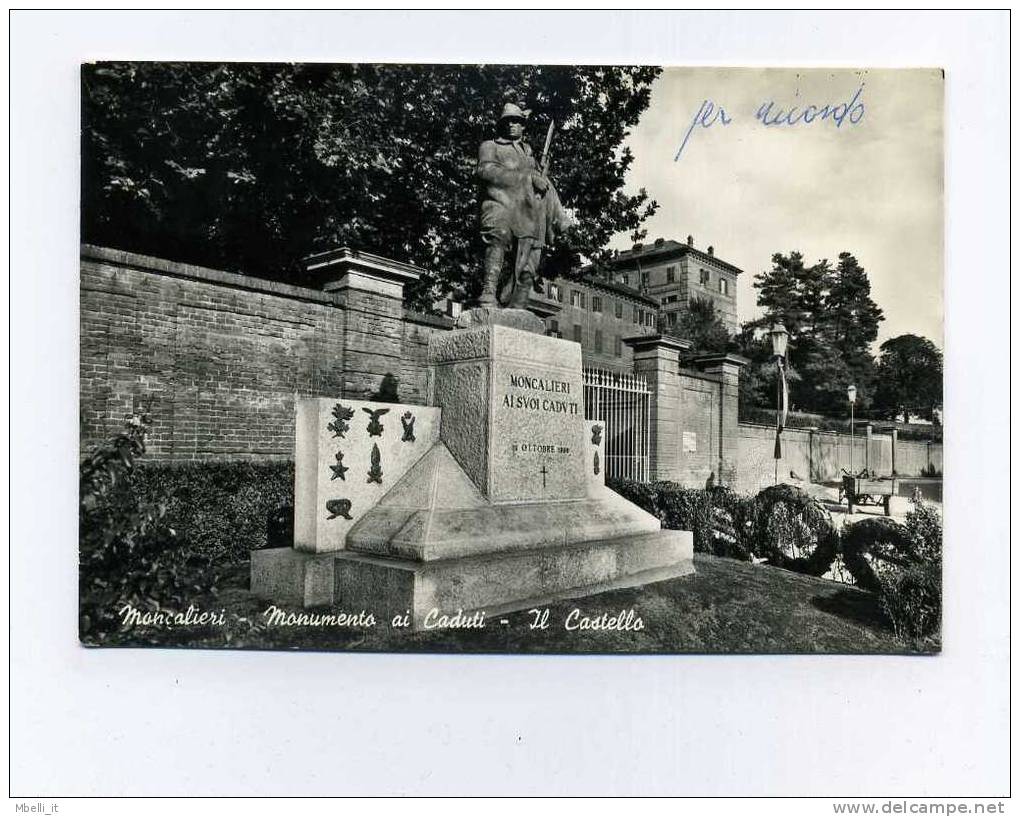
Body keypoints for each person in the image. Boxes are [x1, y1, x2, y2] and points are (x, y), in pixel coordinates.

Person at [476, 102, 571, 309]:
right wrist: (528, 177)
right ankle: (488, 291)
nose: (512, 125)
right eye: (508, 121)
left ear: (523, 126)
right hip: (499, 203)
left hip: (526, 211)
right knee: (498, 232)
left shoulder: (528, 154)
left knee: (533, 257)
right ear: (501, 124)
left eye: (516, 121)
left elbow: (542, 185)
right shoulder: (490, 146)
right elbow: (486, 172)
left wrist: (538, 175)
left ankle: (517, 306)